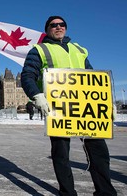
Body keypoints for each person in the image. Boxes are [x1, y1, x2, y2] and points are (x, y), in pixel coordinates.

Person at [21, 16, 117, 196]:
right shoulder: (40, 50)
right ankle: (68, 193)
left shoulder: (79, 49)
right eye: (53, 25)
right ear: (47, 29)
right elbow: (27, 76)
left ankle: (106, 192)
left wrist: (107, 101)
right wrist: (37, 95)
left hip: (87, 109)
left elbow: (94, 77)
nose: (58, 27)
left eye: (61, 25)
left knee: (99, 153)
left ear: (65, 28)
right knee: (61, 155)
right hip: (59, 110)